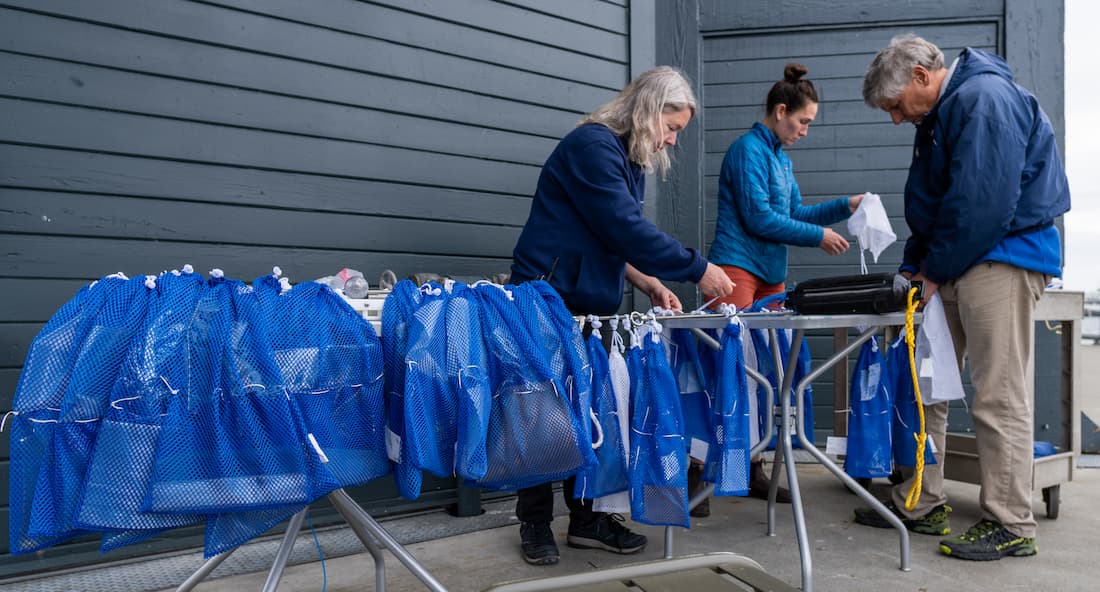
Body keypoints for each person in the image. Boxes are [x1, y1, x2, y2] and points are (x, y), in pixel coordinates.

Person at [852, 34, 1070, 561]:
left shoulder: (983, 100)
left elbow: (982, 205)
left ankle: (1011, 522)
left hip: (1002, 256)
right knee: (930, 385)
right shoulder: (942, 113)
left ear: (921, 77)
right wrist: (914, 263)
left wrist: (932, 270)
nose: (896, 119)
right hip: (958, 260)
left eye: (896, 106)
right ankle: (923, 501)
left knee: (997, 394)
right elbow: (936, 200)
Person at [509, 65, 735, 565]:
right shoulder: (593, 147)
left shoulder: (625, 157)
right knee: (544, 416)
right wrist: (698, 269)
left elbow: (612, 237)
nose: (673, 141)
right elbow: (625, 226)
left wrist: (648, 282)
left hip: (589, 302)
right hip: (548, 296)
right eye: (672, 127)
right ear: (650, 111)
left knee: (592, 410)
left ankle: (587, 519)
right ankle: (535, 523)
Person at [703, 63, 864, 512]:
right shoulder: (746, 151)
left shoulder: (781, 159)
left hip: (769, 274)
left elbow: (796, 215)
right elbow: (758, 219)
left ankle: (749, 467)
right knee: (727, 369)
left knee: (765, 375)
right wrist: (819, 237)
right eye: (803, 121)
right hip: (735, 268)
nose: (806, 131)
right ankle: (701, 469)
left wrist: (843, 206)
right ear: (780, 110)